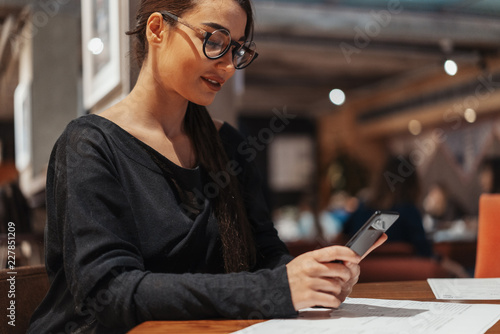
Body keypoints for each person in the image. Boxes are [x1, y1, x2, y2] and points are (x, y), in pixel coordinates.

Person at [27, 1, 386, 332]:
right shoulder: (89, 146)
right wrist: (275, 288)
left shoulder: (228, 146)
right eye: (214, 40)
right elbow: (108, 294)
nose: (228, 65)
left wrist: (314, 277)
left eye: (237, 49)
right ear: (157, 30)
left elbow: (266, 257)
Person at [342, 155, 433, 258]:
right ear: (412, 183)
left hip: (363, 269)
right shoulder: (409, 211)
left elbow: (345, 235)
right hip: (402, 270)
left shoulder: (362, 208)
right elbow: (424, 251)